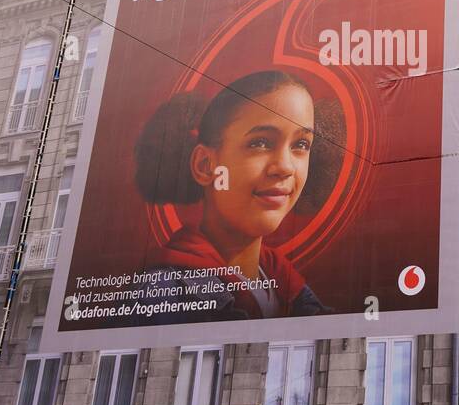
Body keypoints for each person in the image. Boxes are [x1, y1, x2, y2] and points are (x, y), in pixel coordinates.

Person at [133, 70, 342, 321]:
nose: (285, 167)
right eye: (261, 143)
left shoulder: (291, 291)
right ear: (204, 165)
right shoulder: (159, 298)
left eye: (301, 145)